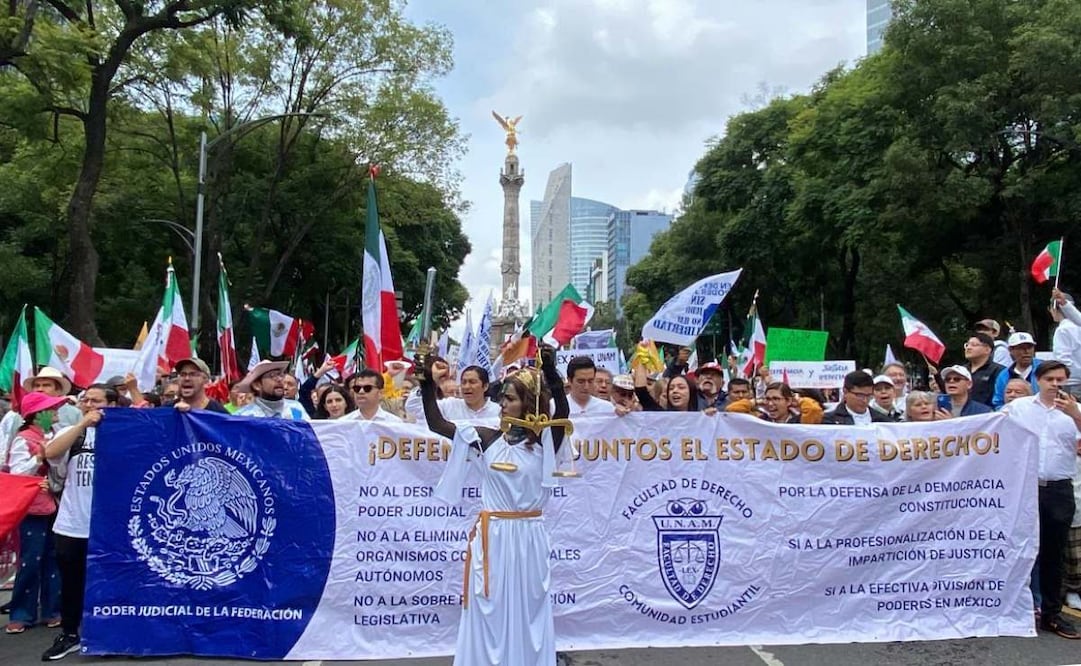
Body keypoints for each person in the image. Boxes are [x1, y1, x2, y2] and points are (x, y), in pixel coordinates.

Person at [417, 345, 569, 666]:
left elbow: (562, 413)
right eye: (503, 399)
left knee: (530, 609)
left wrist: (553, 374)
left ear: (529, 404)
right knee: (488, 606)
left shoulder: (546, 441)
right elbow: (437, 424)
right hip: (494, 537)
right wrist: (425, 382)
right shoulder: (487, 438)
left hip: (529, 537)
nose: (502, 404)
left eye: (510, 398)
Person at [1003, 361, 1081, 638]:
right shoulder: (1020, 407)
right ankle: (1011, 609)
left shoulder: (1074, 412)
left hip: (1059, 489)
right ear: (1038, 380)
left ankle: (1051, 613)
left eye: (1061, 379)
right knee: (1018, 548)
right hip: (1024, 487)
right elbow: (988, 430)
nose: (1056, 384)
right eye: (1050, 378)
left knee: (1053, 553)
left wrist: (1076, 416)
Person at [40, 384, 117, 661]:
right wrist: (84, 422)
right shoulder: (73, 432)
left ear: (112, 404)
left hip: (109, 527)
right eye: (85, 400)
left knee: (108, 582)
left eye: (96, 401)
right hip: (72, 523)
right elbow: (50, 452)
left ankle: (106, 633)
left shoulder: (122, 433)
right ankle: (70, 633)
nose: (88, 404)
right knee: (72, 583)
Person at [3, 392, 68, 634]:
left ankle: (53, 609)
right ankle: (21, 612)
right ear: (36, 415)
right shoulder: (24, 439)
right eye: (50, 410)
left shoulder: (55, 436)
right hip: (31, 508)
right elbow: (19, 472)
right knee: (31, 560)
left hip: (55, 504)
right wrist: (38, 458)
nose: (55, 413)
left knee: (54, 558)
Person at [405, 365, 500, 425]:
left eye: (472, 382)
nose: (466, 387)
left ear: (485, 386)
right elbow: (414, 408)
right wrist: (427, 383)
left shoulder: (498, 412)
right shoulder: (449, 405)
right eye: (463, 382)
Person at [234, 361, 310, 420]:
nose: (280, 380)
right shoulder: (244, 417)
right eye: (272, 376)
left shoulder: (296, 409)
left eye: (280, 375)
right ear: (257, 385)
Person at [992, 332, 1041, 409]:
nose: (1026, 351)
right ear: (1010, 350)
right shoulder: (1004, 375)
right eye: (1021, 348)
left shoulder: (1044, 369)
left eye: (1029, 347)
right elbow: (998, 403)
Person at [822, 371, 893, 425]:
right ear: (845, 391)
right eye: (860, 395)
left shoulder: (883, 421)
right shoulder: (829, 420)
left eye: (868, 396)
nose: (865, 400)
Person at [633, 363, 700, 413]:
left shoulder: (702, 416)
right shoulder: (660, 414)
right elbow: (641, 391)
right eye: (671, 388)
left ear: (691, 391)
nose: (675, 391)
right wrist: (642, 354)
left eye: (681, 387)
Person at [963, 332, 1005, 408]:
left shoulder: (999, 371)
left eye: (974, 345)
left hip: (988, 415)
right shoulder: (961, 370)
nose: (968, 348)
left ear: (987, 349)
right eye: (967, 345)